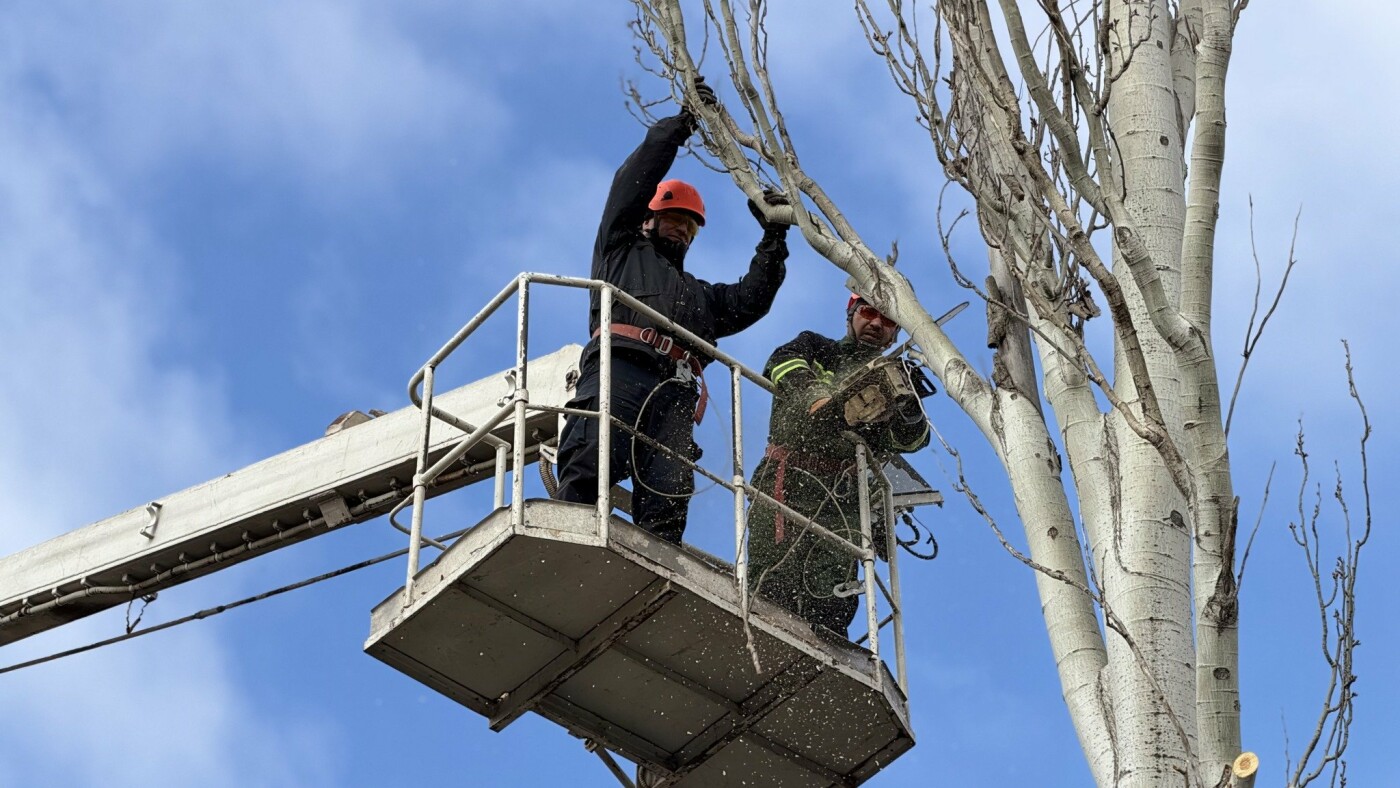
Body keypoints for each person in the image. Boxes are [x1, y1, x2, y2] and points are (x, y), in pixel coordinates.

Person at [554, 79, 790, 545]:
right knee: (590, 459)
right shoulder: (620, 248)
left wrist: (774, 239)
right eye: (674, 220)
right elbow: (635, 178)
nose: (682, 231)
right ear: (649, 219)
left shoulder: (698, 297)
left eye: (689, 227)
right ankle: (568, 543)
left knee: (668, 492)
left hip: (673, 391)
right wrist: (682, 125)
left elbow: (750, 300)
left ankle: (658, 561)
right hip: (619, 369)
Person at [746, 294, 931, 636]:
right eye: (868, 312)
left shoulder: (889, 380)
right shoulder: (816, 348)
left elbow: (912, 441)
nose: (876, 323)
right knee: (772, 581)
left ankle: (828, 651)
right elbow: (781, 364)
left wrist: (909, 407)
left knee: (832, 592)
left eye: (888, 320)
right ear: (851, 315)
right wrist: (819, 399)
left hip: (842, 500)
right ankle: (761, 639)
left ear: (895, 334)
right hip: (786, 485)